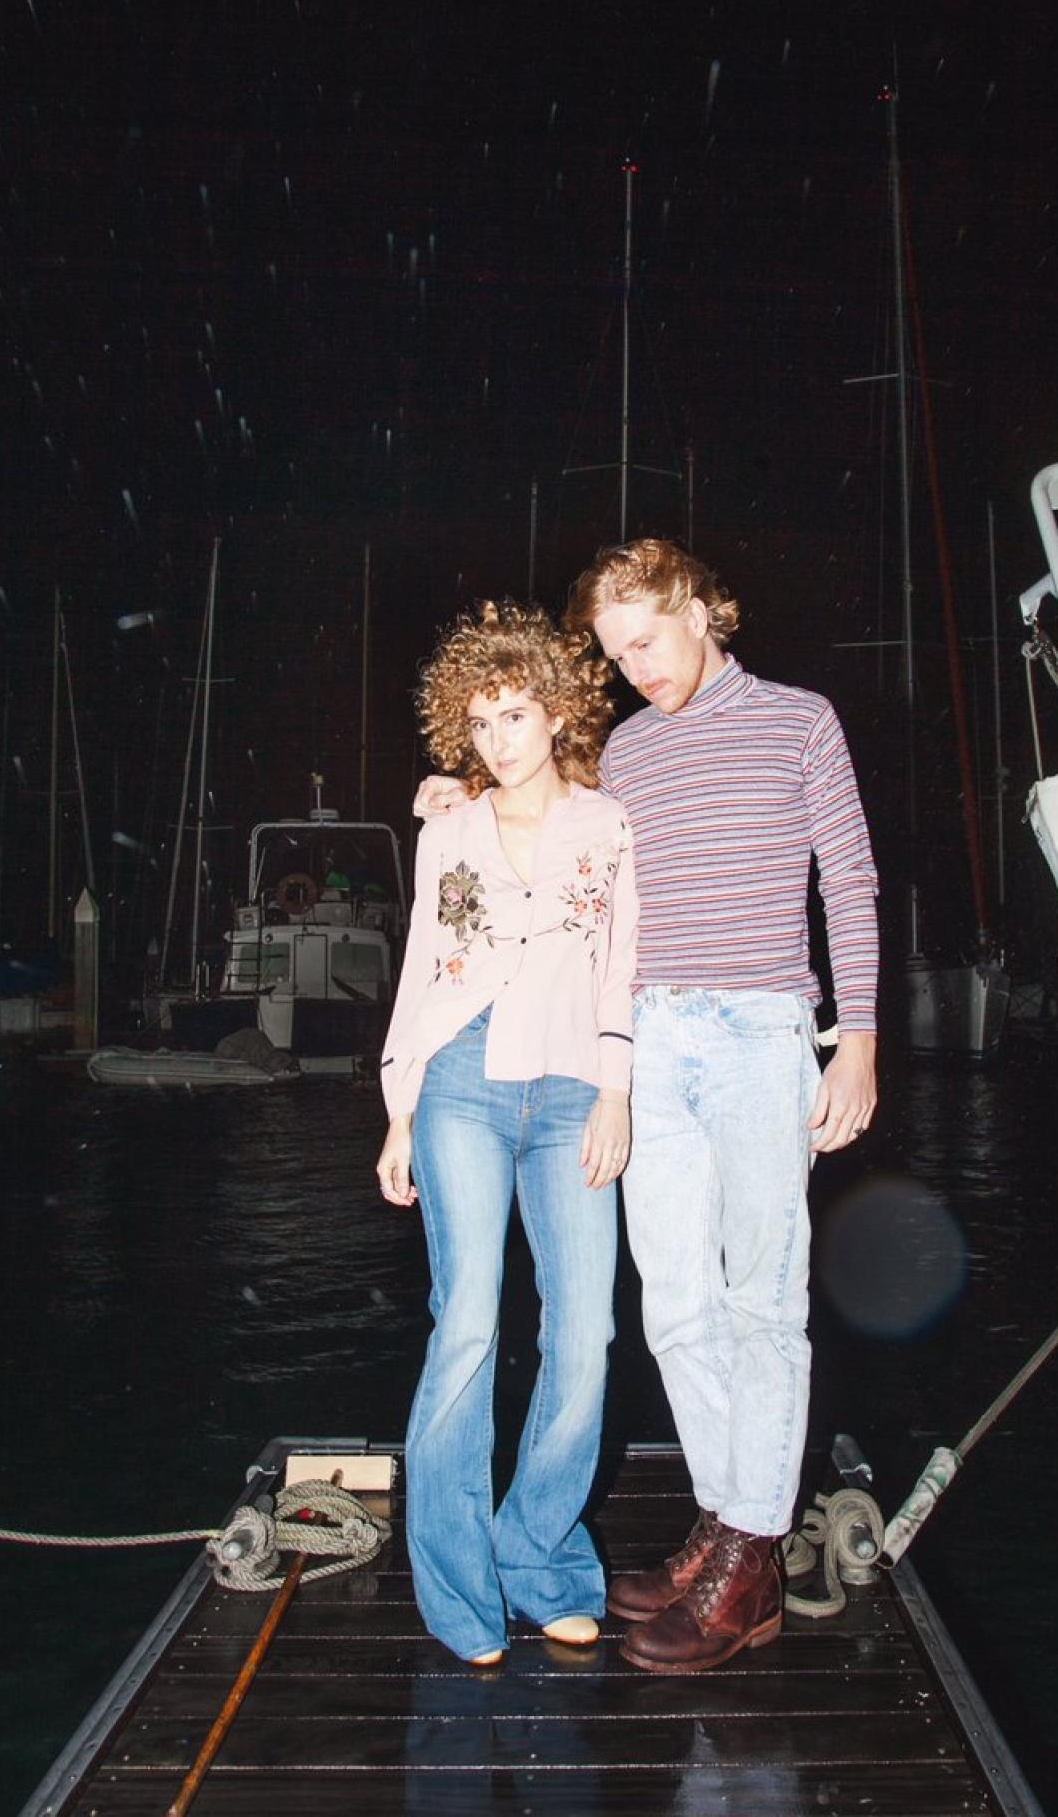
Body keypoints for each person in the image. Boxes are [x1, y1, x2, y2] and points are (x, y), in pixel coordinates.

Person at [417, 539, 877, 1675]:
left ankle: (750, 1555)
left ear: (699, 609)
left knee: (761, 1299)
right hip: (647, 1039)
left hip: (764, 1034)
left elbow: (849, 878)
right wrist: (463, 791)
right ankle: (726, 1523)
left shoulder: (801, 722)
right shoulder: (624, 749)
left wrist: (857, 1040)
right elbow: (549, 814)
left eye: (645, 641)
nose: (635, 669)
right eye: (616, 656)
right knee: (672, 1304)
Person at [376, 600, 638, 1667]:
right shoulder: (447, 829)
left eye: (515, 716)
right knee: (469, 1323)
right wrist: (398, 1110)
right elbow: (421, 971)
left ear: (557, 710)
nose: (497, 740)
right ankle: (455, 1586)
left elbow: (620, 966)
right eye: (479, 724)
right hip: (460, 1083)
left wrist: (617, 1092)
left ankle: (537, 1554)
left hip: (574, 1086)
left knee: (585, 1333)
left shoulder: (609, 825)